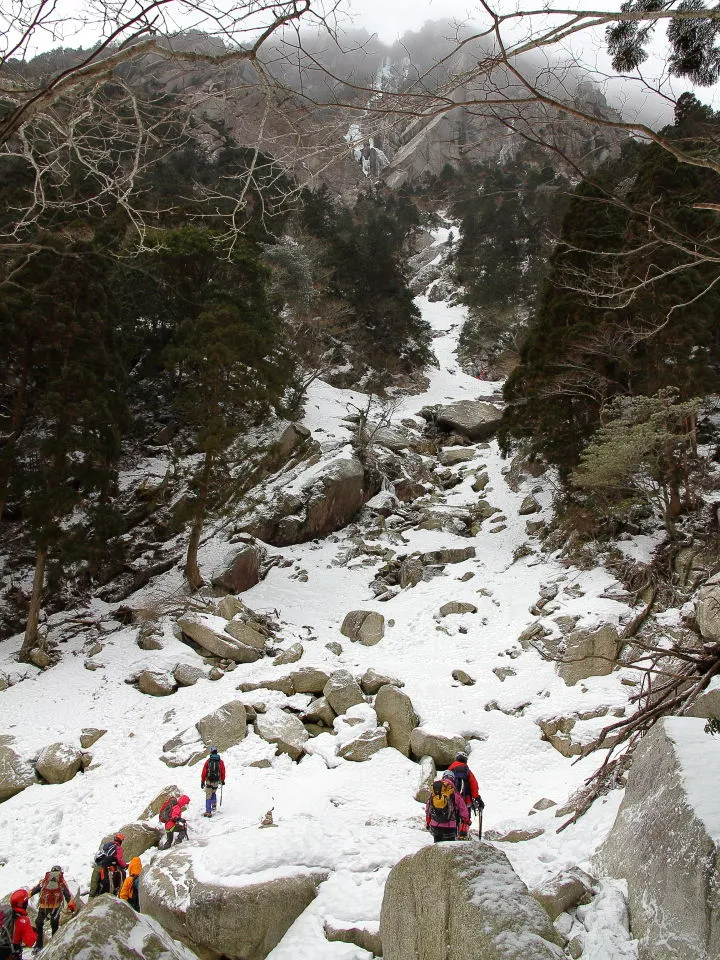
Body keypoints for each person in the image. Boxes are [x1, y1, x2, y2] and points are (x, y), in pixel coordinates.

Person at [29, 865, 75, 950]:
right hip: (55, 907)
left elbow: (35, 889)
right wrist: (72, 907)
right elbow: (68, 895)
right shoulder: (61, 881)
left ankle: (38, 946)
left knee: (39, 923)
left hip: (43, 906)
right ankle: (53, 946)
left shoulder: (46, 880)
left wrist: (25, 897)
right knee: (54, 925)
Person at [425, 771, 470, 843]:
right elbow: (463, 809)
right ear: (453, 779)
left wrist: (428, 821)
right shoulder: (453, 792)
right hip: (450, 826)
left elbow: (428, 808)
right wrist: (467, 821)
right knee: (449, 849)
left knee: (438, 848)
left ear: (443, 778)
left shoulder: (435, 791)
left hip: (435, 825)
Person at [448, 751, 484, 839]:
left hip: (452, 799)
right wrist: (477, 798)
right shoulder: (466, 770)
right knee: (465, 817)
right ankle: (463, 834)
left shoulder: (450, 770)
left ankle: (452, 834)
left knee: (453, 816)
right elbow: (474, 785)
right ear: (465, 760)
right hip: (465, 799)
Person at [0, 890, 37, 959]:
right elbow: (30, 942)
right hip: (10, 955)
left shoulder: (4, 914)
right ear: (23, 904)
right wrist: (35, 932)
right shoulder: (23, 921)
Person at [89, 832, 128, 897]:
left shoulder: (107, 845)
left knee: (94, 884)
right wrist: (125, 865)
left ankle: (91, 898)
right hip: (110, 867)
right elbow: (119, 859)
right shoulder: (118, 848)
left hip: (100, 865)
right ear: (121, 841)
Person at [200, 747, 226, 818]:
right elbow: (223, 771)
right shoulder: (220, 761)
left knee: (208, 795)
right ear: (217, 752)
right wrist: (222, 780)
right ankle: (214, 804)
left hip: (208, 781)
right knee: (213, 792)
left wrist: (202, 781)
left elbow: (204, 772)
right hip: (216, 781)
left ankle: (208, 812)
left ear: (211, 752)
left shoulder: (208, 761)